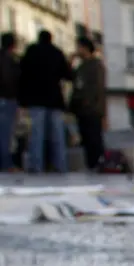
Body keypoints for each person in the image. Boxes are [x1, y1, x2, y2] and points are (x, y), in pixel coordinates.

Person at [18, 30, 71, 173]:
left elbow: (22, 74)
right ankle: (60, 165)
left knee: (36, 134)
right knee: (57, 135)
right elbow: (67, 75)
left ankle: (36, 165)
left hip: (36, 99)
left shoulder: (31, 51)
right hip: (54, 99)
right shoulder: (57, 53)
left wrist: (22, 100)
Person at [70, 36, 106, 171]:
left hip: (92, 109)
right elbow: (71, 77)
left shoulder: (96, 65)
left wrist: (93, 105)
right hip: (82, 109)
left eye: (79, 47)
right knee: (86, 138)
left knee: (94, 138)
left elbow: (98, 87)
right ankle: (91, 165)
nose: (77, 50)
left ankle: (98, 164)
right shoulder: (81, 66)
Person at [0, 32, 18, 172]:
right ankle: (6, 164)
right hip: (6, 99)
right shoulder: (8, 60)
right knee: (5, 134)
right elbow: (8, 79)